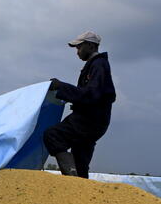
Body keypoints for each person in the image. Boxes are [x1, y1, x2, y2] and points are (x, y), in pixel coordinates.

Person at [44, 31, 115, 178]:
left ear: (90, 45)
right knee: (80, 159)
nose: (77, 52)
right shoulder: (95, 65)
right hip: (96, 121)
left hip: (89, 119)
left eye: (79, 47)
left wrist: (60, 87)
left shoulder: (99, 65)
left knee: (53, 135)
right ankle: (80, 185)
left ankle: (72, 178)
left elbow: (91, 94)